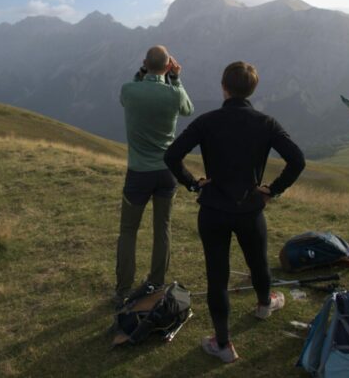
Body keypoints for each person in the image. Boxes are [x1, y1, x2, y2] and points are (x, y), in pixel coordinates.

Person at [164, 61, 305, 363]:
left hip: (213, 208)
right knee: (258, 260)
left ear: (224, 87)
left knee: (218, 276)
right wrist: (272, 189)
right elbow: (297, 160)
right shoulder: (266, 122)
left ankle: (223, 345)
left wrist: (193, 184)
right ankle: (265, 304)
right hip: (250, 208)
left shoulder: (206, 121)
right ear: (253, 89)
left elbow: (172, 155)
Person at [114, 45, 194, 304]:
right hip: (166, 173)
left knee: (128, 230)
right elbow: (188, 109)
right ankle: (156, 284)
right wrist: (176, 78)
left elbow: (130, 90)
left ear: (145, 64)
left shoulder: (129, 91)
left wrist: (143, 73)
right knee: (163, 228)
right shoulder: (173, 94)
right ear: (169, 66)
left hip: (138, 173)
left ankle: (124, 289)